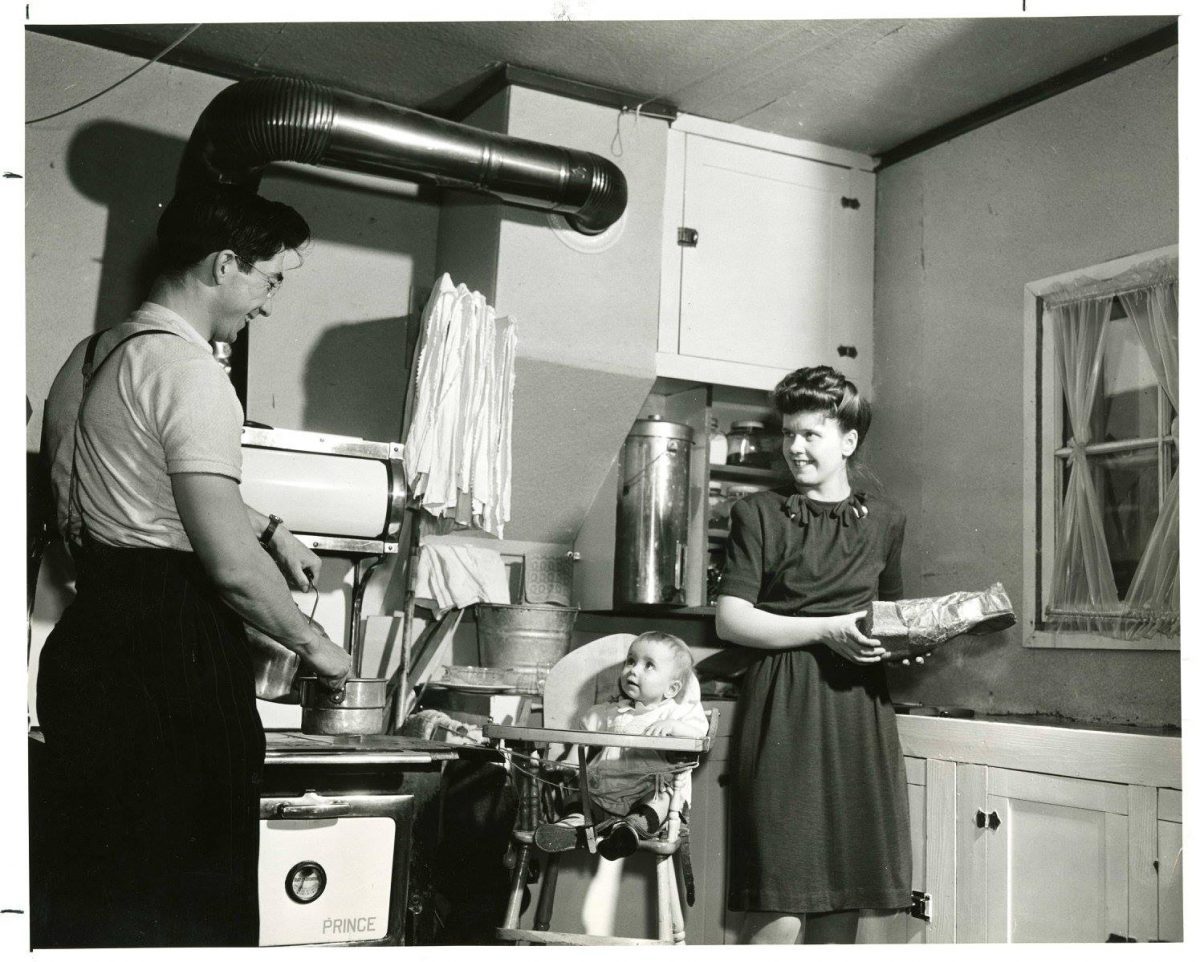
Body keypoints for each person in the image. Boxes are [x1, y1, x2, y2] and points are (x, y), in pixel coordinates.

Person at [34, 187, 352, 948]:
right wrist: (319, 648)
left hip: (89, 643)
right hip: (168, 658)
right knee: (188, 906)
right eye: (272, 279)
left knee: (94, 898)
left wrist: (272, 527)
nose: (269, 303)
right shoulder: (193, 373)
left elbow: (138, 482)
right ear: (224, 264)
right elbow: (230, 569)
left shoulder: (94, 356)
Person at [714, 365, 917, 945]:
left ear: (848, 441)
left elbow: (891, 616)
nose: (795, 448)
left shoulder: (886, 521)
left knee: (842, 889)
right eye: (788, 434)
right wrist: (826, 630)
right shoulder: (758, 515)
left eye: (811, 435)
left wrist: (907, 646)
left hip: (858, 711)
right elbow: (732, 620)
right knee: (781, 889)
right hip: (785, 704)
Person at [534, 631, 709, 861]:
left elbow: (700, 733)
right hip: (602, 790)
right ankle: (572, 826)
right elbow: (583, 735)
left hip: (643, 792)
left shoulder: (673, 713)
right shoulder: (612, 711)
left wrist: (675, 726)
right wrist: (571, 763)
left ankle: (630, 831)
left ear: (672, 689)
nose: (633, 670)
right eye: (631, 661)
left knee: (661, 798)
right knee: (578, 793)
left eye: (648, 666)